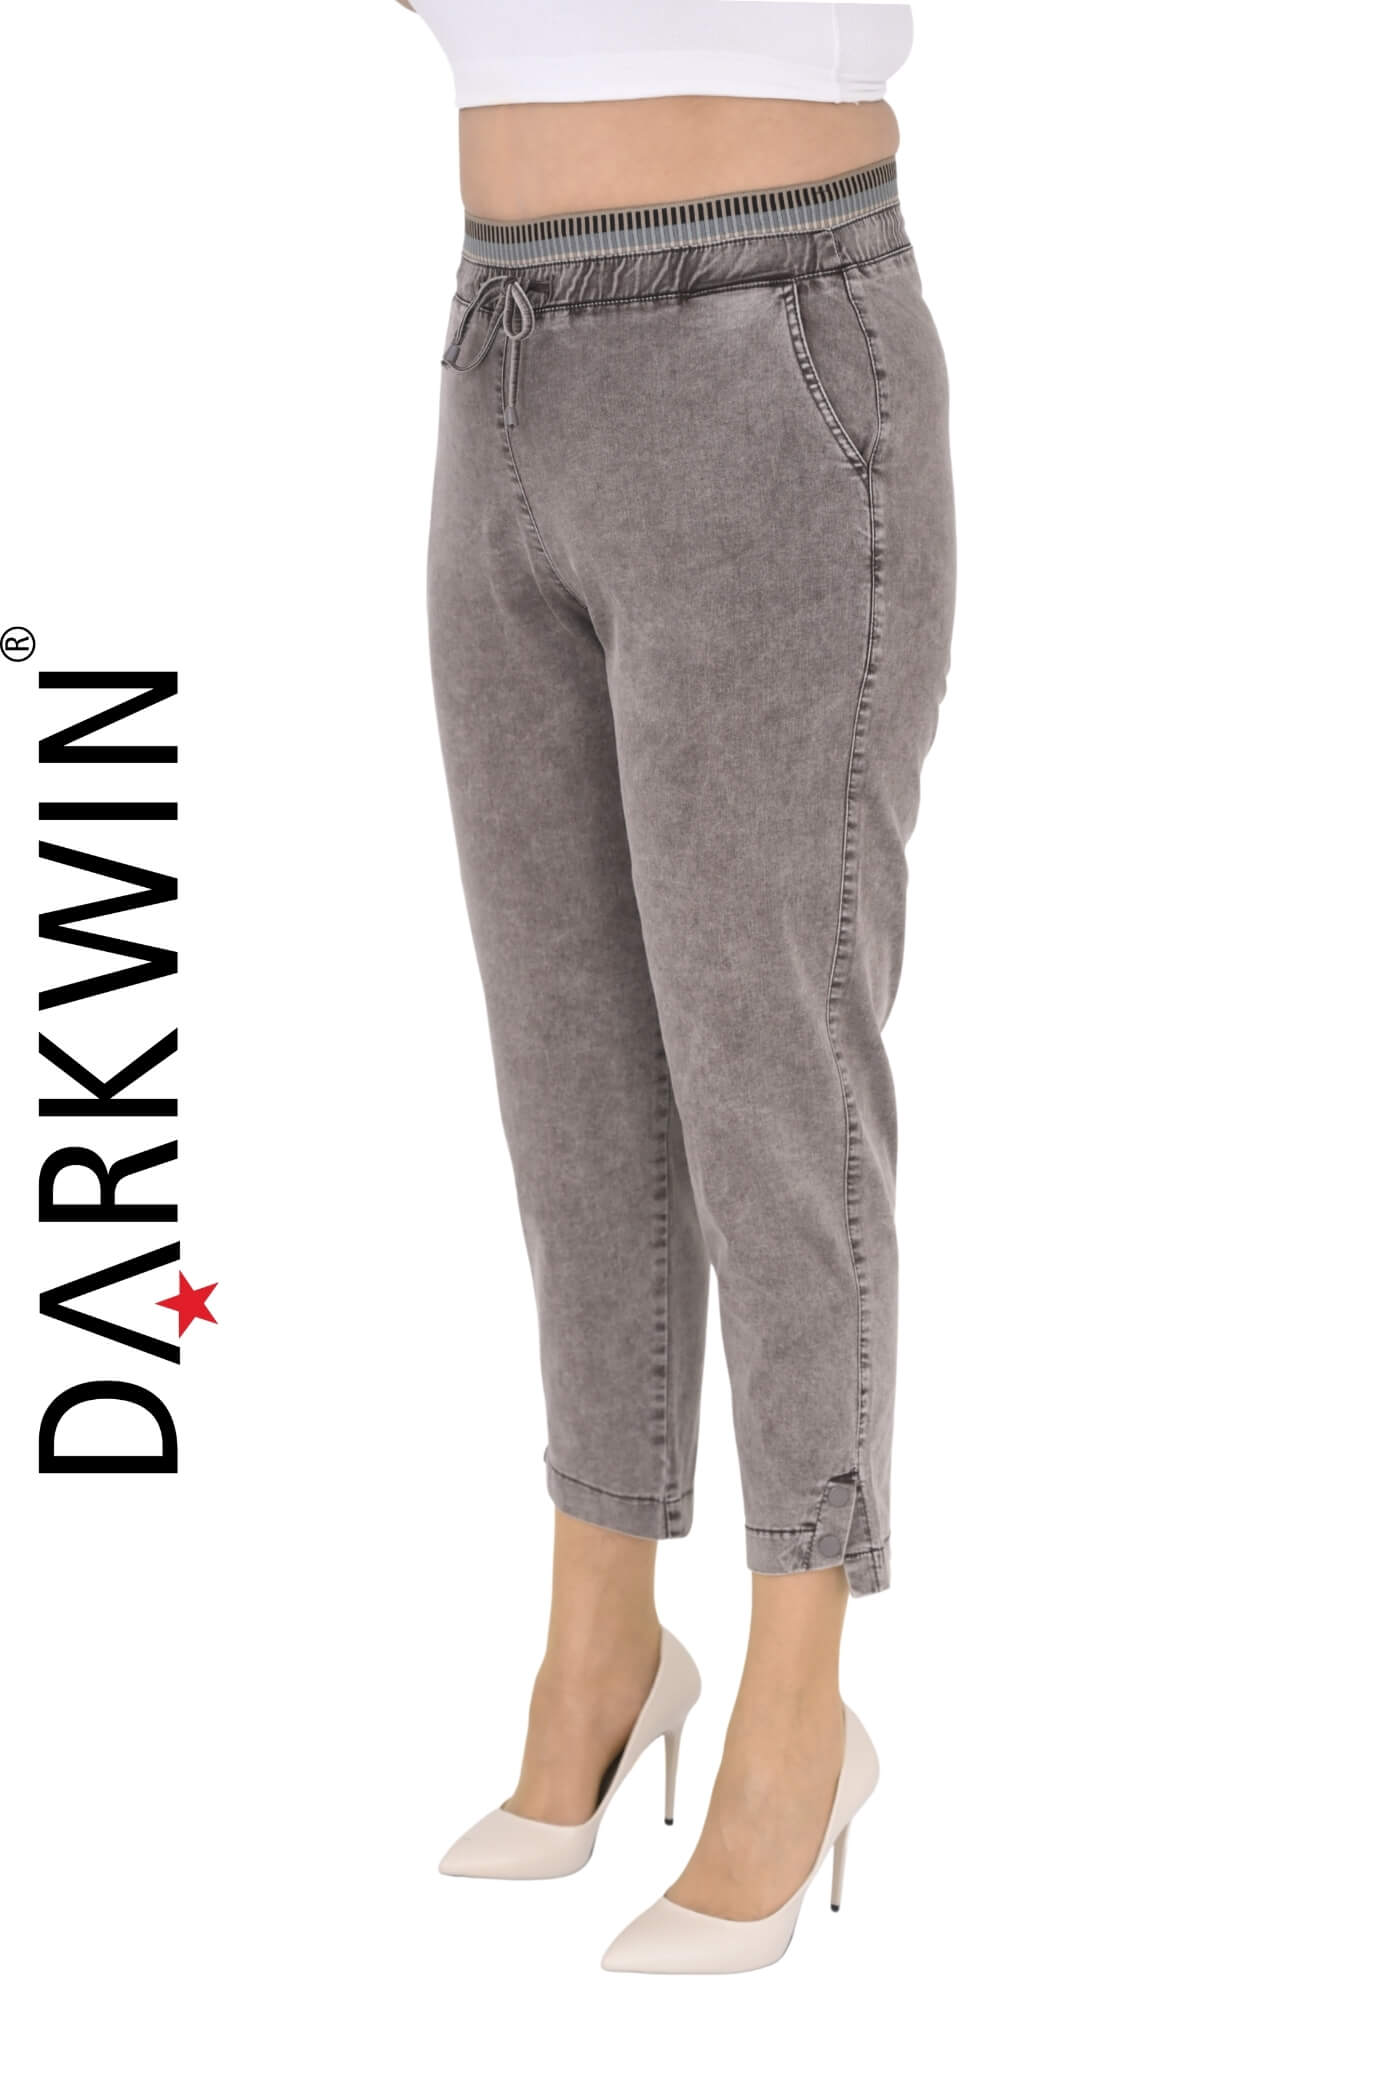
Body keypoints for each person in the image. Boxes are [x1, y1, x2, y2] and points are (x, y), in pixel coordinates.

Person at [399, 0, 955, 1973]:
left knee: (767, 1072)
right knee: (572, 1082)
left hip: (768, 339)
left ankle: (802, 1699)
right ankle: (602, 1643)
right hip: (499, 357)